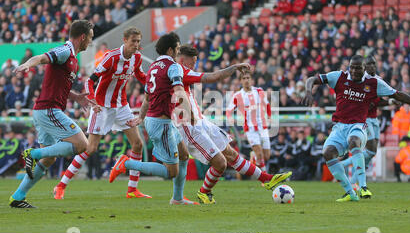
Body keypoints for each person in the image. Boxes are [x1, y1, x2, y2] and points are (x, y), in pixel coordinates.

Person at [303, 54, 410, 202]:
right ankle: (350, 192)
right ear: (349, 67)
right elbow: (312, 79)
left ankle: (363, 186)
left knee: (354, 142)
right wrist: (308, 91)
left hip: (358, 126)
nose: (355, 71)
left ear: (364, 69)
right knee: (327, 153)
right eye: (352, 68)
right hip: (339, 127)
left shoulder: (374, 83)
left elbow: (399, 95)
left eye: (358, 68)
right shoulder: (338, 77)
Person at [175, 44, 292, 204]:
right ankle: (198, 193)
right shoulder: (180, 71)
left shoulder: (179, 72)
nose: (194, 65)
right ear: (184, 59)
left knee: (230, 154)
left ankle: (266, 179)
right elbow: (213, 77)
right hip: (189, 125)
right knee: (220, 163)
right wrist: (235, 66)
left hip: (201, 121)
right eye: (192, 61)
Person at [53, 27, 151, 200]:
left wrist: (153, 84)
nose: (136, 45)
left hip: (121, 106)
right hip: (102, 106)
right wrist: (93, 101)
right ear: (125, 40)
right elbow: (89, 82)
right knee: (90, 148)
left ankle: (132, 190)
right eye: (133, 41)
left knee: (137, 144)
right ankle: (60, 185)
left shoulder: (136, 58)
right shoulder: (111, 57)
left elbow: (141, 76)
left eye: (138, 41)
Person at [9, 20, 96, 208]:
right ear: (83, 37)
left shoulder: (73, 58)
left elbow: (59, 85)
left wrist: (76, 97)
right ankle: (33, 154)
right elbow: (41, 57)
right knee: (82, 144)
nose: (90, 40)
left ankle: (17, 197)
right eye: (90, 37)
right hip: (48, 110)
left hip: (44, 110)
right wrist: (27, 64)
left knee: (49, 159)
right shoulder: (65, 51)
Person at [109, 32, 192, 203]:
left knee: (184, 155)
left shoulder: (154, 66)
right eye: (177, 48)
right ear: (170, 49)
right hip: (161, 123)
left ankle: (177, 198)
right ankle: (126, 164)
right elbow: (178, 90)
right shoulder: (173, 66)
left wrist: (141, 117)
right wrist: (188, 111)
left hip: (158, 120)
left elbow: (147, 97)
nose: (178, 52)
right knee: (171, 172)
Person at [340, 56, 401, 192]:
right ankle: (345, 166)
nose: (372, 66)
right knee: (371, 149)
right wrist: (389, 102)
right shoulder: (362, 81)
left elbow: (378, 100)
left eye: (374, 63)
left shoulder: (377, 79)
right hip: (364, 119)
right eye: (369, 64)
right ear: (364, 66)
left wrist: (391, 101)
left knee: (371, 152)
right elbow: (372, 102)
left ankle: (354, 181)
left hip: (374, 119)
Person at [226, 71, 272, 172]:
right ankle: (265, 177)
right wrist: (230, 118)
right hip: (249, 128)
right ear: (241, 81)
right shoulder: (238, 95)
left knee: (267, 156)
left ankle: (253, 156)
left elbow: (267, 105)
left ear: (251, 80)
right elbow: (229, 110)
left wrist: (269, 116)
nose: (246, 80)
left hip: (262, 126)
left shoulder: (259, 91)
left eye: (248, 78)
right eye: (244, 78)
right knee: (260, 153)